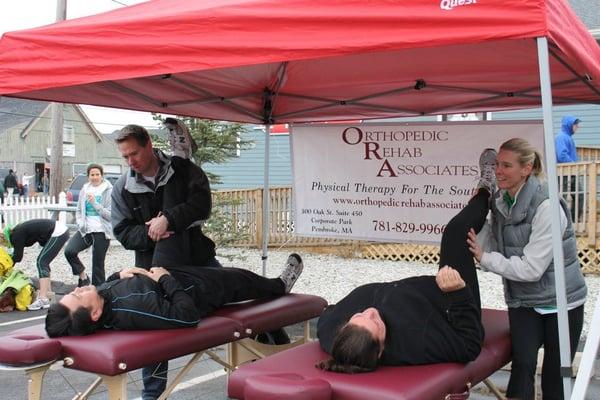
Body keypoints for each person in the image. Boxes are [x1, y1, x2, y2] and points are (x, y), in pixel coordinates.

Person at [316, 149, 499, 373]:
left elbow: (326, 317)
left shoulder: (331, 333)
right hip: (451, 297)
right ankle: (485, 191)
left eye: (359, 316)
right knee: (454, 233)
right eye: (374, 323)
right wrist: (459, 294)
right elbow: (470, 346)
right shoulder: (416, 343)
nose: (369, 311)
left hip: (422, 290)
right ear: (382, 350)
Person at [467, 138, 587, 400]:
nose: (499, 170)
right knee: (522, 366)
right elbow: (490, 244)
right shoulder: (500, 200)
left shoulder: (547, 206)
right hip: (524, 300)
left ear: (527, 168)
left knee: (556, 374)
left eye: (506, 165)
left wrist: (485, 258)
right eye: (497, 164)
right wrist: (479, 213)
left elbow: (532, 268)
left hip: (562, 302)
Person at [111, 124, 218, 399]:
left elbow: (202, 206)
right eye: (125, 157)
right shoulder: (122, 187)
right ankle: (153, 395)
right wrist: (153, 231)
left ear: (148, 144)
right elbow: (122, 232)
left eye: (134, 153)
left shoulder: (184, 173)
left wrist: (168, 219)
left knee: (240, 295)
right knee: (156, 327)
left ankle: (268, 352)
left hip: (198, 258)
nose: (131, 161)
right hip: (154, 263)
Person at [45, 253, 303, 336]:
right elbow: (186, 317)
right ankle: (281, 285)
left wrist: (117, 275)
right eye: (77, 296)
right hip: (200, 289)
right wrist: (165, 279)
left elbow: (102, 290)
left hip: (177, 276)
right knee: (242, 278)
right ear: (95, 313)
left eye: (73, 291)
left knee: (240, 276)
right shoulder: (134, 309)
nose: (78, 289)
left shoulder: (99, 301)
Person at [0, 219, 70, 310]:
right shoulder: (16, 232)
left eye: (2, 244)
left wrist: (6, 267)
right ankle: (48, 295)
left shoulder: (15, 236)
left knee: (42, 261)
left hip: (58, 232)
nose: (4, 246)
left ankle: (43, 298)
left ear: (3, 238)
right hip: (58, 230)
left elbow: (18, 257)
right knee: (44, 261)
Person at [64, 164, 113, 287]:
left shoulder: (108, 190)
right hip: (86, 230)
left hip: (102, 232)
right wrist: (80, 223)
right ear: (88, 176)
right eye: (92, 174)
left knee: (98, 266)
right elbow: (79, 210)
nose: (95, 177)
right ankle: (83, 277)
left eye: (97, 174)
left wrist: (95, 203)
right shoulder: (85, 189)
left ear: (102, 176)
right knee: (69, 251)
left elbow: (110, 215)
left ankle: (99, 294)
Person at [555, 115, 582, 222]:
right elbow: (562, 155)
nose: (577, 127)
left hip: (571, 172)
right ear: (569, 125)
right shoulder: (561, 137)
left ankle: (572, 221)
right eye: (576, 124)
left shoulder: (568, 137)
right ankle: (563, 222)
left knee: (580, 195)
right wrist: (574, 164)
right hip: (564, 173)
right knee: (563, 198)